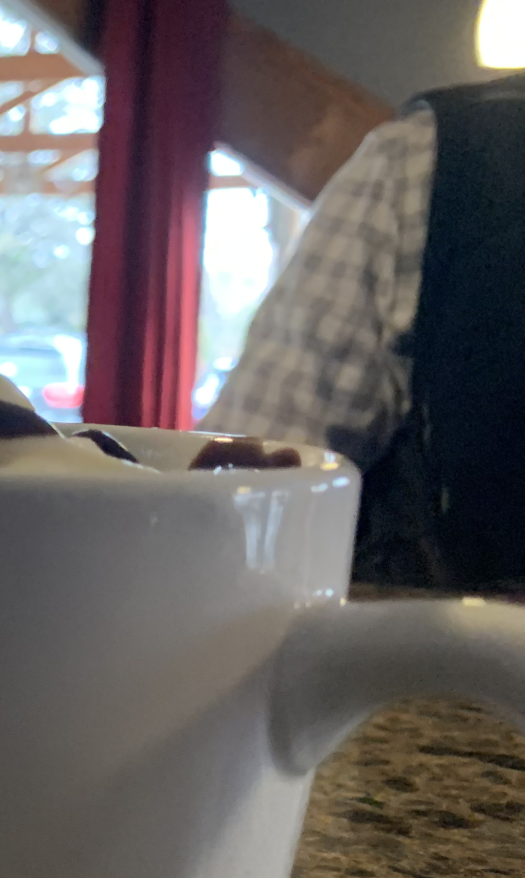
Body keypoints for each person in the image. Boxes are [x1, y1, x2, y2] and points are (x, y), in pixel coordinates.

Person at [202, 72, 525, 592]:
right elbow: (236, 508)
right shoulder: (433, 163)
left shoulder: (438, 160)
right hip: (446, 665)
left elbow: (226, 520)